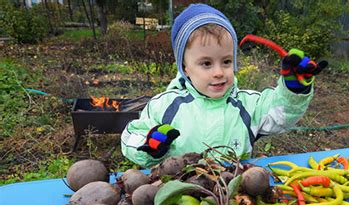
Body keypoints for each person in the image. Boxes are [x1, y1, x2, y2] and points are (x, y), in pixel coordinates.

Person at [121, 3, 327, 168]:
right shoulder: (163, 105)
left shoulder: (248, 104)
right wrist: (149, 145)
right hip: (179, 201)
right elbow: (131, 136)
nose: (219, 72)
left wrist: (294, 89)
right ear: (185, 67)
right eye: (206, 63)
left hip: (234, 197)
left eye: (226, 61)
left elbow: (281, 115)